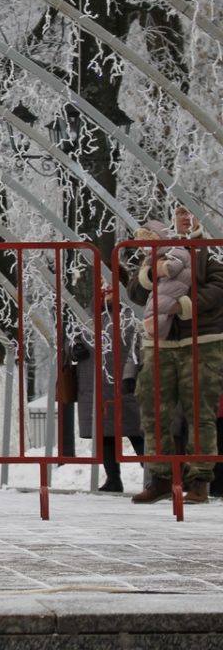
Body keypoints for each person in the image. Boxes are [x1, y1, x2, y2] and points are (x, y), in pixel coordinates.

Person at [127, 213, 223, 504]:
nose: (184, 221)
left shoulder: (211, 255)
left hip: (202, 341)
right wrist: (150, 273)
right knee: (153, 407)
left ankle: (199, 481)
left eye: (189, 216)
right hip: (160, 342)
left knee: (200, 413)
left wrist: (185, 305)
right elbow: (136, 292)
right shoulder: (156, 255)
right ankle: (161, 477)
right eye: (179, 216)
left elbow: (219, 289)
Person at [70, 281, 144, 493]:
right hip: (93, 383)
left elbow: (139, 344)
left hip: (124, 380)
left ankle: (151, 473)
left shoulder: (130, 315)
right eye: (103, 289)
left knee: (136, 430)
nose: (106, 293)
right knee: (105, 433)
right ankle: (113, 478)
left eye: (111, 289)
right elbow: (71, 338)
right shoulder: (86, 315)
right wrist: (74, 349)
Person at [134, 221, 192, 340]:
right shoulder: (149, 260)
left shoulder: (174, 250)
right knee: (156, 304)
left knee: (159, 305)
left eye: (149, 244)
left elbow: (175, 263)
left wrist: (165, 267)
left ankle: (154, 330)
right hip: (169, 290)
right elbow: (133, 293)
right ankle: (155, 332)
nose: (147, 249)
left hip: (176, 287)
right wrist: (150, 273)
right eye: (144, 246)